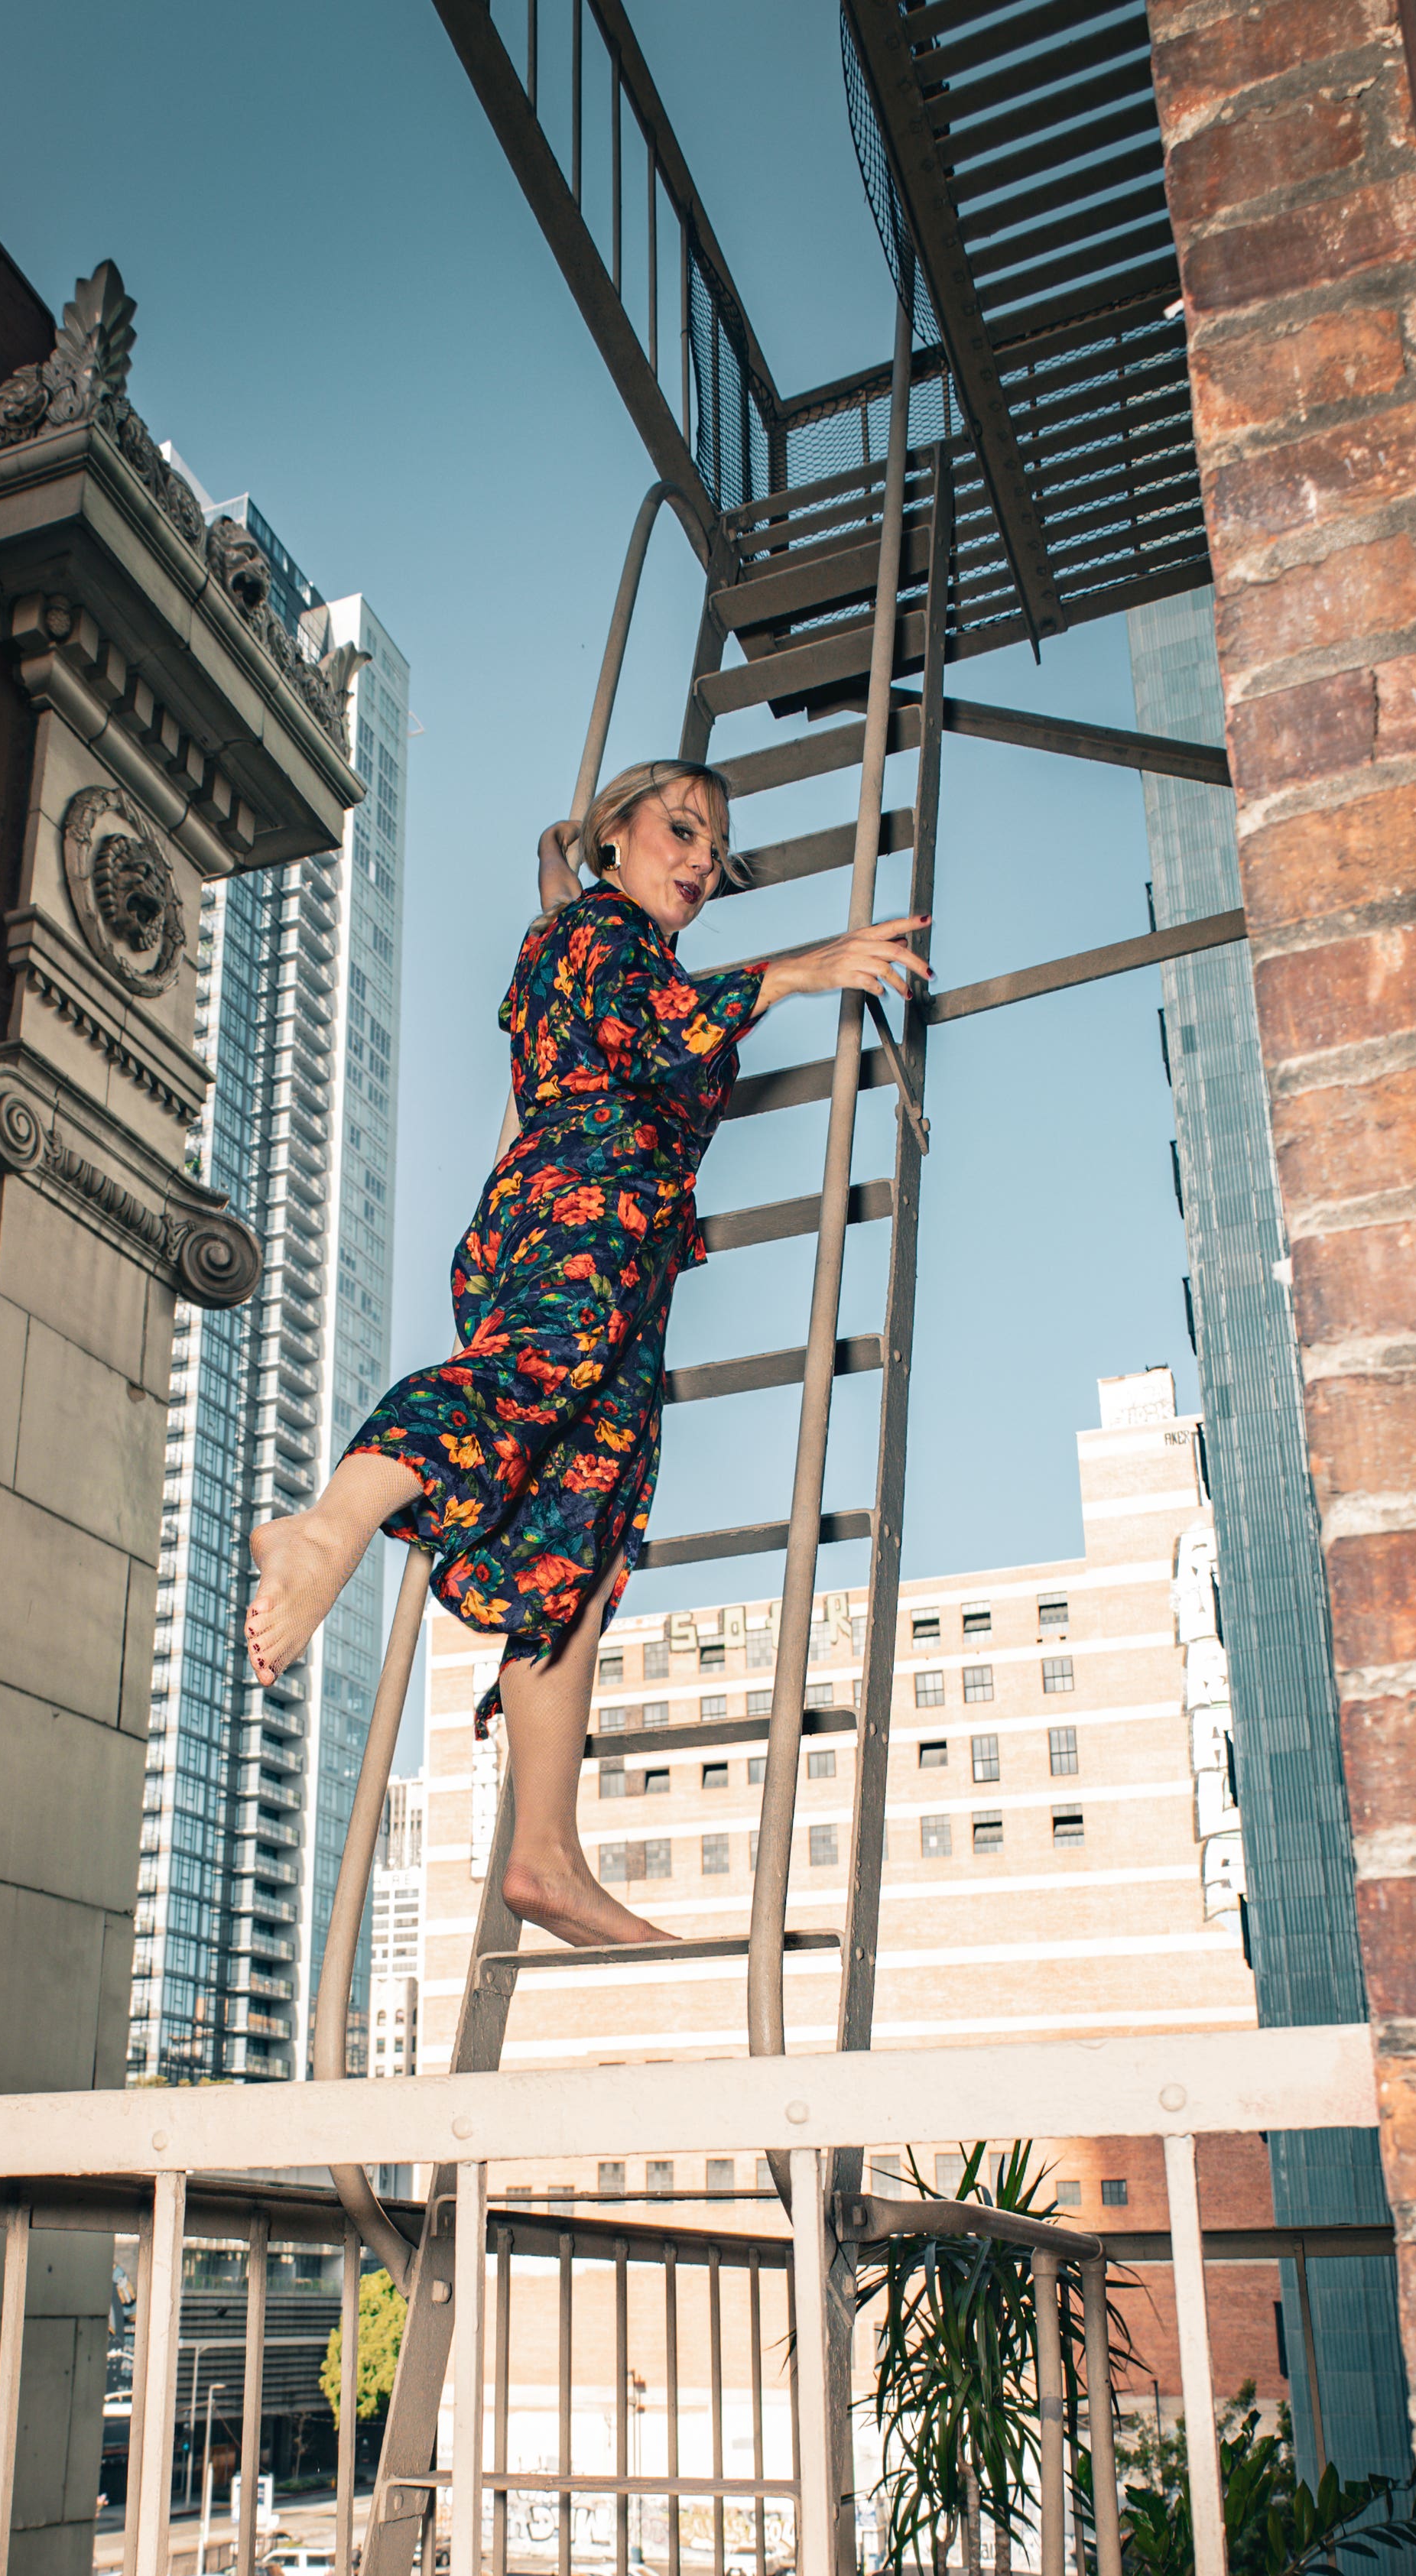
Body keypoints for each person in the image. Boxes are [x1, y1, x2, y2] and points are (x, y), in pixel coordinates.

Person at [245, 759, 927, 1949]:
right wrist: (807, 965)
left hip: (630, 1248)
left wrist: (565, 860)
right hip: (580, 1208)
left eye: (716, 850)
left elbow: (581, 911)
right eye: (682, 829)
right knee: (523, 1386)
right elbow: (646, 1021)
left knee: (587, 1534)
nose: (703, 861)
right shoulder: (598, 942)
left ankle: (546, 1857)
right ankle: (330, 1525)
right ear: (620, 836)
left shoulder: (588, 923)